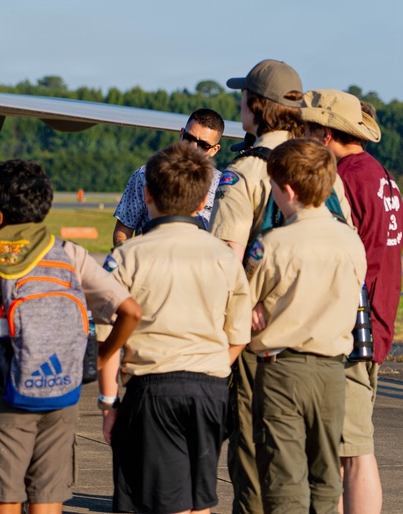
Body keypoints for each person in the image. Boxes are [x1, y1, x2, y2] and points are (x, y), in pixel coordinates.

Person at [0, 159, 142, 514]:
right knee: (47, 500)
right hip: (61, 393)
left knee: (3, 497)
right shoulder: (69, 253)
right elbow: (130, 311)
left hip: (4, 392)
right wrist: (102, 357)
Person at [210, 61, 355, 514]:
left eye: (243, 98)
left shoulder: (246, 171)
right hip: (327, 351)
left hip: (261, 344)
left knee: (257, 460)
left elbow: (226, 262)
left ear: (256, 105)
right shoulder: (324, 171)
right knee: (321, 471)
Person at [101, 142, 251, 514]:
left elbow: (108, 341)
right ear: (202, 203)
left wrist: (109, 403)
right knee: (199, 499)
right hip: (210, 389)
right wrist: (210, 367)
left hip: (153, 389)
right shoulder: (224, 257)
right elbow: (239, 335)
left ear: (147, 195)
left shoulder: (126, 257)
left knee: (162, 501)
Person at [245, 138, 367, 514]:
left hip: (282, 370)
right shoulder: (351, 242)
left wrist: (257, 309)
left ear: (289, 191)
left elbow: (242, 302)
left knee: (284, 479)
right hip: (332, 371)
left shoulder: (272, 245)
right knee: (326, 475)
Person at [300, 89, 403, 514]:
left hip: (351, 328)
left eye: (308, 130)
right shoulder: (379, 175)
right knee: (350, 448)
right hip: (376, 322)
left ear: (326, 134)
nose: (303, 138)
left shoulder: (345, 178)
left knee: (353, 451)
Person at [112, 108, 226, 248]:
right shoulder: (145, 175)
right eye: (189, 138)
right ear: (181, 134)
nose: (193, 147)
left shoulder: (223, 186)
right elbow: (123, 230)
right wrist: (128, 257)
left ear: (215, 149)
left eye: (203, 145)